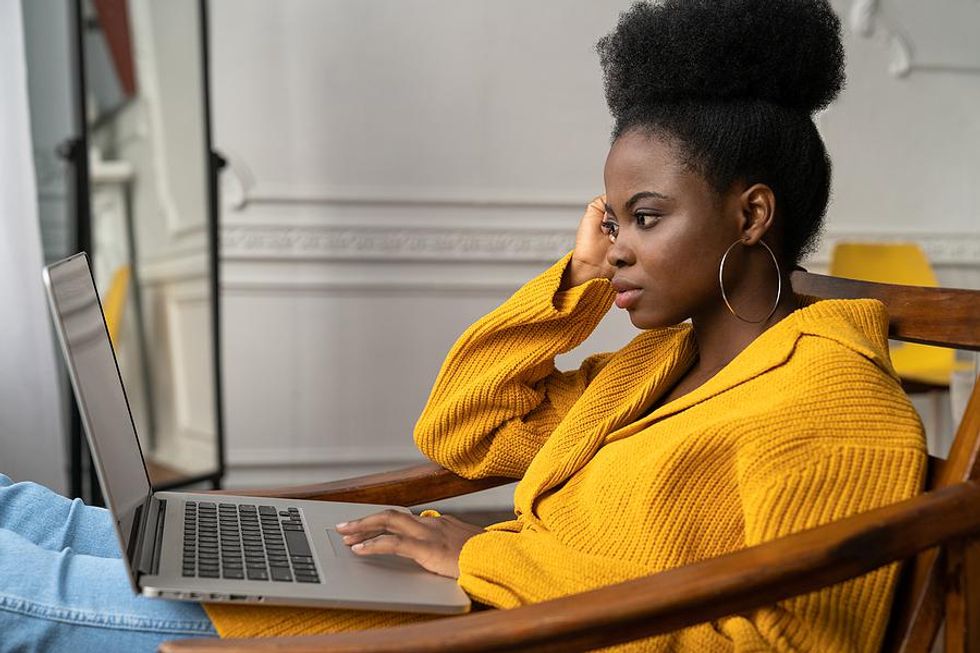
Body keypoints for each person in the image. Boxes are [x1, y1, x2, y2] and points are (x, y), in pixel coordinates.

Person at [1, 0, 927, 650]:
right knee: (29, 516)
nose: (619, 247)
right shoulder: (658, 363)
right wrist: (574, 282)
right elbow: (463, 429)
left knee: (22, 593)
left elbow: (781, 648)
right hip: (464, 598)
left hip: (490, 629)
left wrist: (485, 559)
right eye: (611, 220)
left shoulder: (833, 405)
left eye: (644, 218)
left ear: (752, 214)